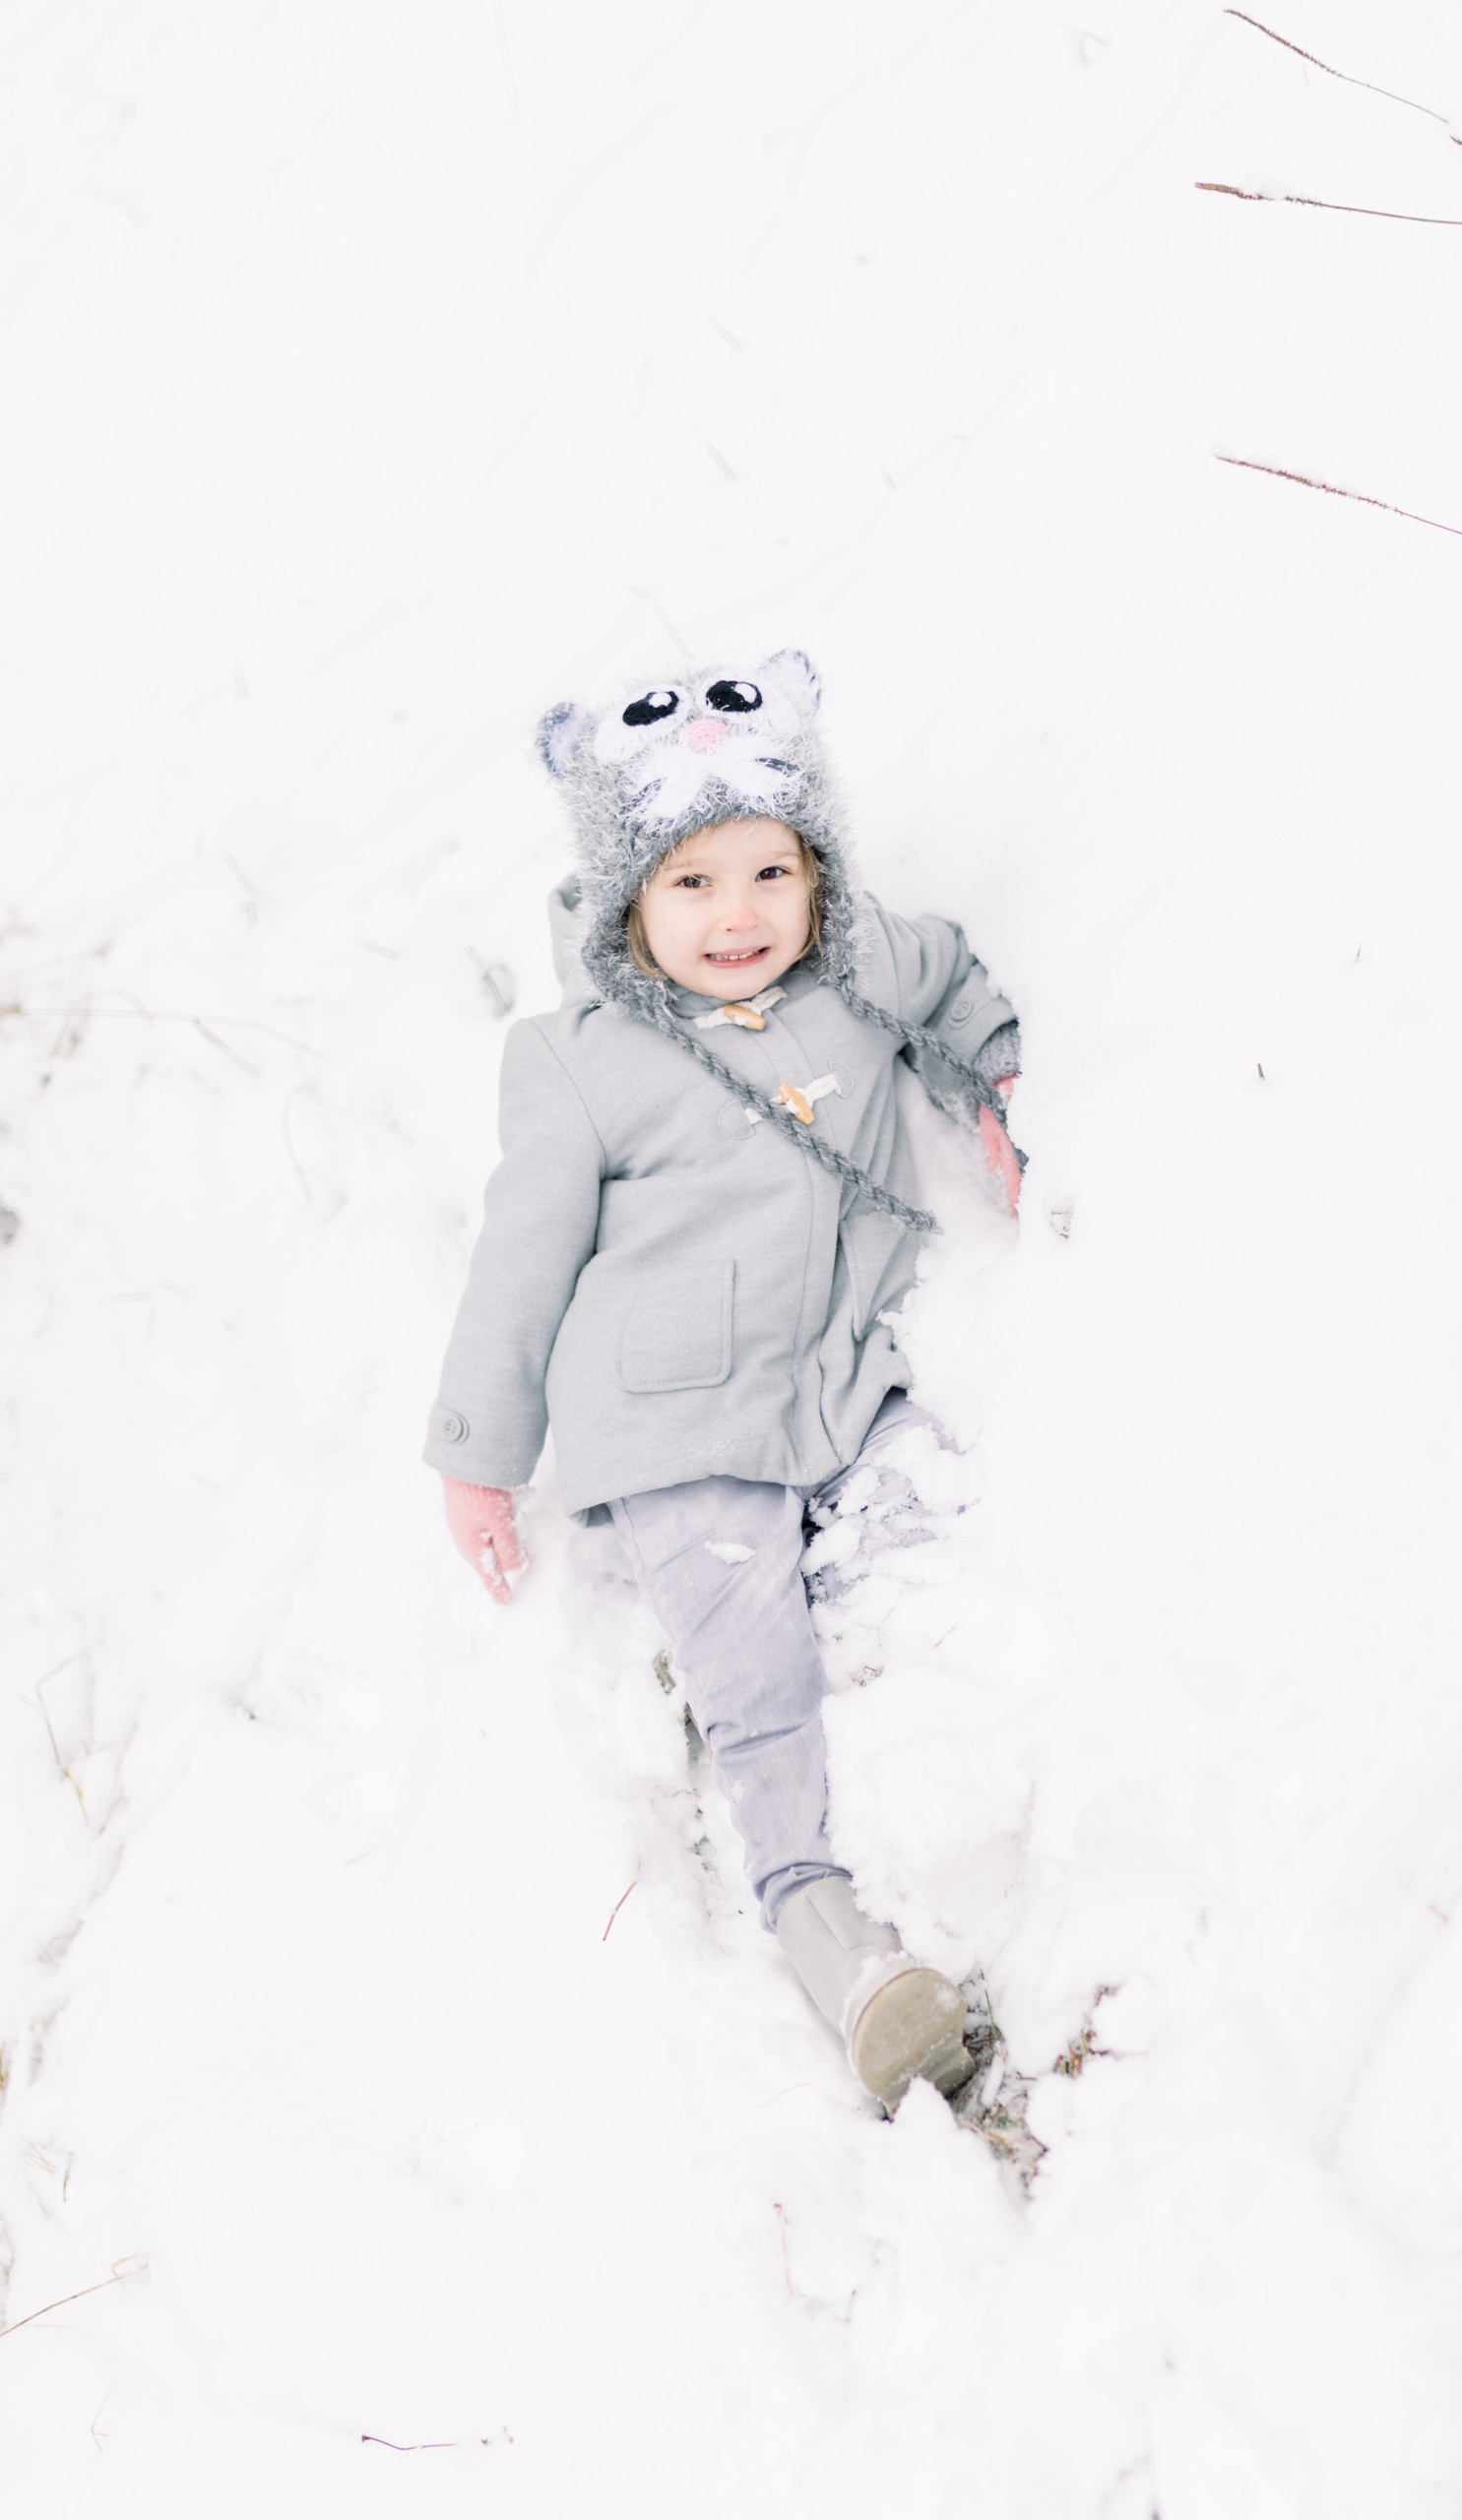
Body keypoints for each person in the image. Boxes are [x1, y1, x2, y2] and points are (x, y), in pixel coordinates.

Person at [423, 647, 1021, 2113]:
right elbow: (521, 1258)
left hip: (844, 1383)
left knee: (927, 1567)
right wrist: (476, 1451)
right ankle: (832, 1936)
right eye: (688, 885)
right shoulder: (575, 1064)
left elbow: (953, 983)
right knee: (759, 1681)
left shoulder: (862, 964)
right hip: (674, 1426)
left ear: (817, 872)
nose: (737, 915)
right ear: (627, 899)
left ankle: (973, 1830)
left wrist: (993, 1082)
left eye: (769, 873)